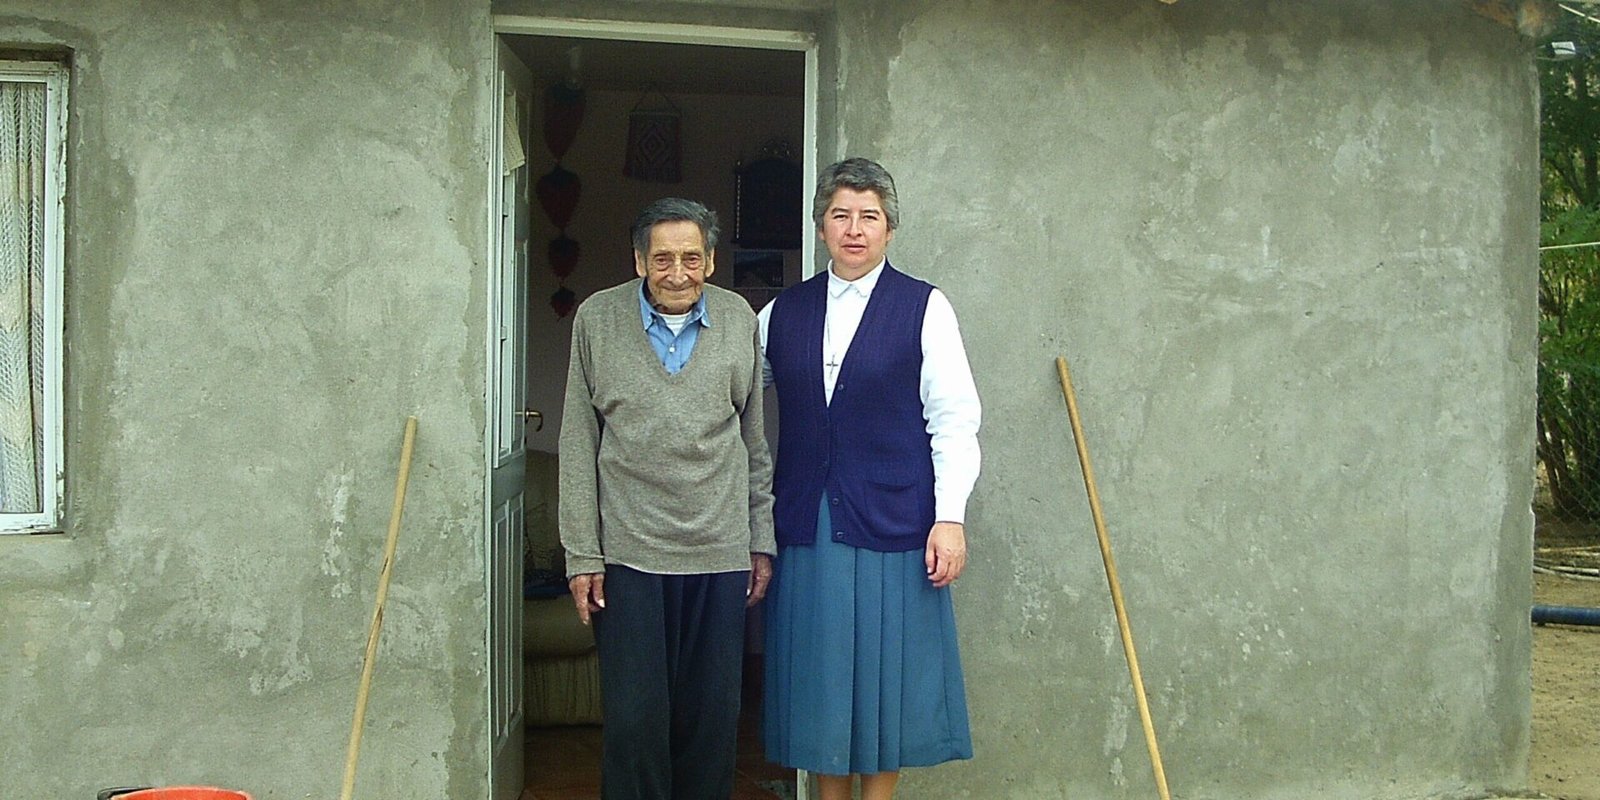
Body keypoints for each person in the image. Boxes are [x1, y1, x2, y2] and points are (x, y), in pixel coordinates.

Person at [758, 158, 982, 800]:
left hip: (895, 522)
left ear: (889, 228)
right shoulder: (781, 313)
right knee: (823, 678)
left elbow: (954, 419)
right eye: (841, 216)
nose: (854, 230)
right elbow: (731, 395)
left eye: (869, 217)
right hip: (808, 522)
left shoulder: (924, 307)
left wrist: (950, 518)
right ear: (821, 228)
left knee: (887, 680)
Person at [559, 197, 776, 800]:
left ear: (711, 260)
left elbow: (753, 441)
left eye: (691, 258)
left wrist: (760, 539)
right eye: (662, 259)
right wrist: (582, 554)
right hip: (629, 553)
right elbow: (577, 442)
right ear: (638, 261)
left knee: (711, 720)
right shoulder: (597, 320)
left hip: (719, 550)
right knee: (635, 722)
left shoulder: (738, 318)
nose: (677, 273)